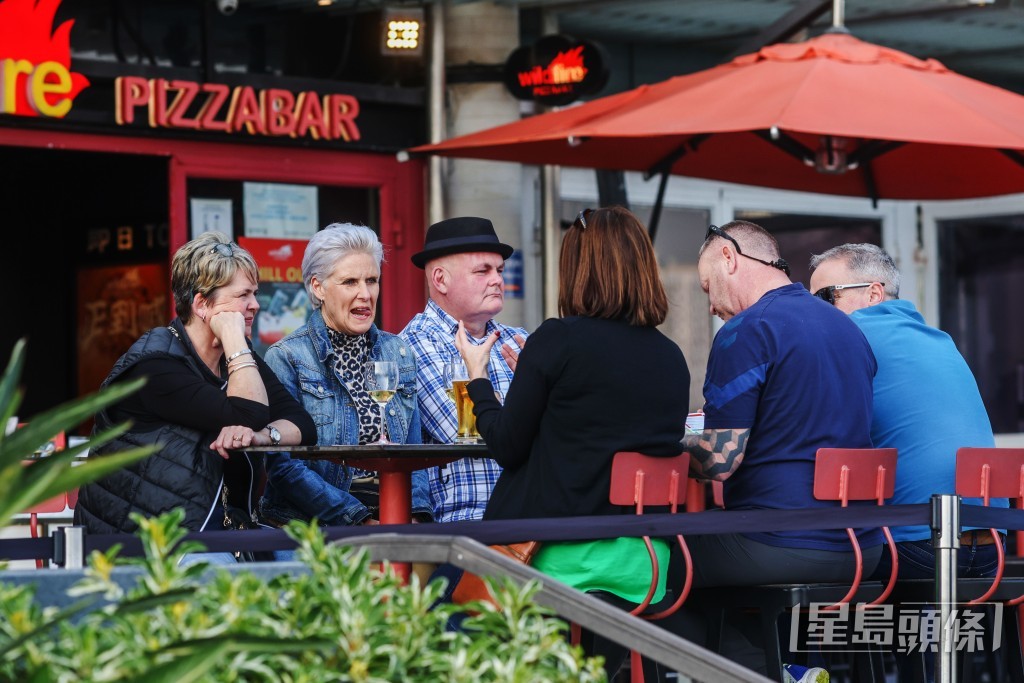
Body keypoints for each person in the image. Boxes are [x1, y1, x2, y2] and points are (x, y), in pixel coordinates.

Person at [455, 206, 690, 679]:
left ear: (578, 269)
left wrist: (478, 378)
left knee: (452, 622)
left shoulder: (558, 339)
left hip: (561, 559)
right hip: (648, 564)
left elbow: (506, 444)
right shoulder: (671, 356)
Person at [680, 221, 882, 677]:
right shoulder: (849, 329)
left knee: (651, 568)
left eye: (708, 286)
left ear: (729, 258)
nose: (710, 306)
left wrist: (667, 445)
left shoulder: (746, 331)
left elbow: (720, 462)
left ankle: (775, 671)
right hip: (863, 547)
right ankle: (793, 665)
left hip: (781, 541)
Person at [74, 232, 317, 563]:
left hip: (228, 534)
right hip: (147, 546)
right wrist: (234, 342)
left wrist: (262, 436)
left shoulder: (239, 361)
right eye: (243, 295)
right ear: (202, 305)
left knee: (308, 566)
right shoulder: (154, 367)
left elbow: (302, 423)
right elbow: (248, 412)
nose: (256, 305)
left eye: (255, 293)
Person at [808, 242, 1006, 580]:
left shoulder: (850, 341)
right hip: (993, 549)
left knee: (804, 566)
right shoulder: (941, 341)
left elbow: (813, 434)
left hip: (916, 547)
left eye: (826, 297)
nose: (816, 312)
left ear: (873, 293)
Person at [260, 223, 432, 540]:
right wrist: (359, 521)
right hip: (311, 529)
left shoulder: (398, 351)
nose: (365, 294)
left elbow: (415, 453)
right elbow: (282, 467)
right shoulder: (287, 357)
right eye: (350, 281)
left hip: (395, 522)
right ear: (318, 287)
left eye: (372, 280)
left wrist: (416, 517)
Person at [399, 216, 527, 523]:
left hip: (531, 516)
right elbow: (463, 432)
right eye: (482, 270)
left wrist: (490, 401)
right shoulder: (413, 343)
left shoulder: (520, 338)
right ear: (441, 279)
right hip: (467, 524)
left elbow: (562, 428)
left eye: (499, 270)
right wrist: (530, 401)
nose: (497, 280)